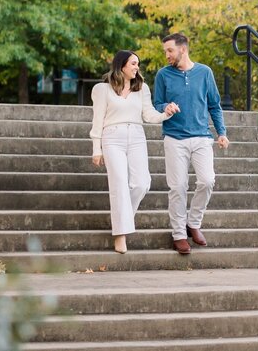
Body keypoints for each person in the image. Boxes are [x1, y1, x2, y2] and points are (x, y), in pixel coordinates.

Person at [90, 51, 178, 254]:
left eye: (137, 64)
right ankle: (120, 235)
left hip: (137, 136)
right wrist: (97, 149)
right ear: (122, 65)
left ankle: (122, 219)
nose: (137, 67)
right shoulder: (102, 89)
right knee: (119, 184)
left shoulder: (142, 89)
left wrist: (166, 113)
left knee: (141, 183)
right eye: (133, 63)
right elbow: (98, 120)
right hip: (112, 137)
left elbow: (149, 115)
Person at [153, 33, 229, 255]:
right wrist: (165, 107)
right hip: (174, 137)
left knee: (207, 181)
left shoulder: (204, 72)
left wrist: (221, 132)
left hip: (201, 137)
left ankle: (193, 223)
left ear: (182, 49)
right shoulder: (163, 75)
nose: (166, 55)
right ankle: (178, 234)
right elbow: (157, 103)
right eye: (165, 51)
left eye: (170, 50)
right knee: (177, 187)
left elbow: (214, 105)